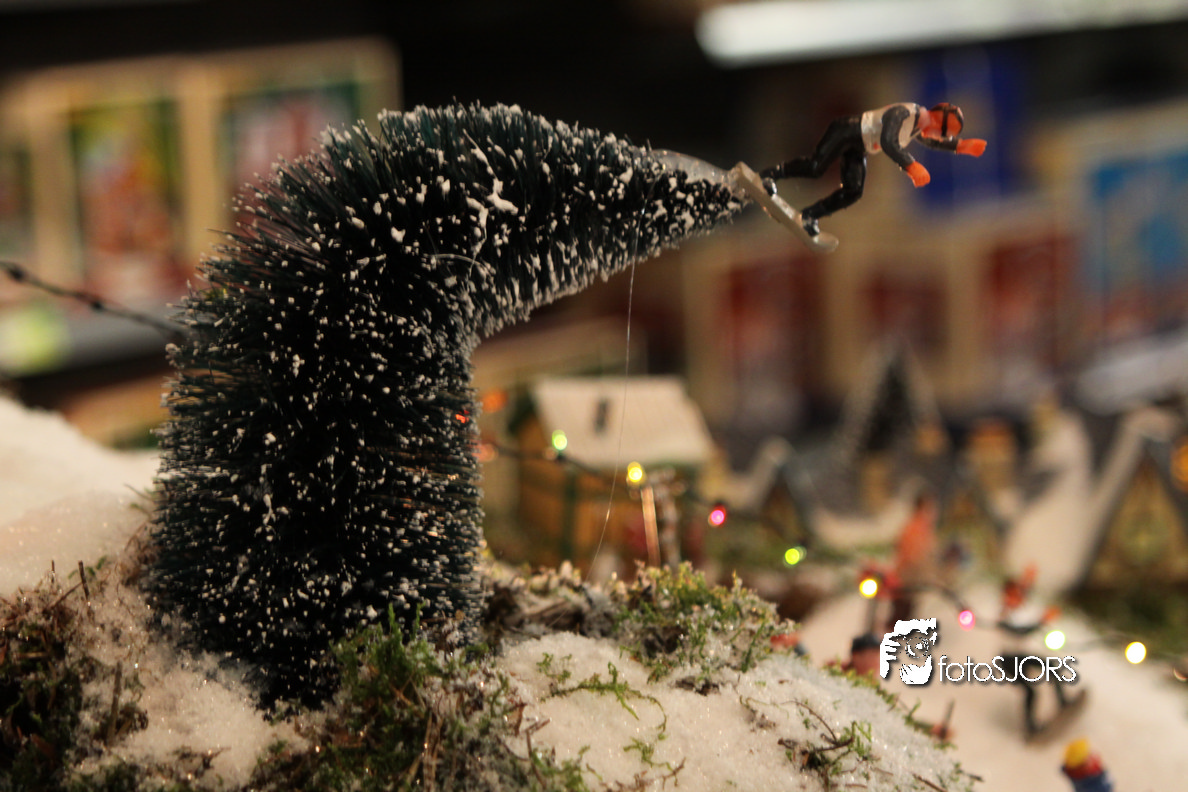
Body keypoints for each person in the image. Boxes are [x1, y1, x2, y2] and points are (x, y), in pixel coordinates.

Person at [761, 102, 987, 238]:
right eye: (944, 133)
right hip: (848, 131)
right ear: (937, 120)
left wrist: (959, 146)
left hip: (860, 146)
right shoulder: (905, 113)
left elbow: (931, 142)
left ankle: (809, 216)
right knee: (815, 167)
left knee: (853, 190)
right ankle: (771, 174)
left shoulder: (918, 127)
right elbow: (888, 141)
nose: (941, 137)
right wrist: (910, 165)